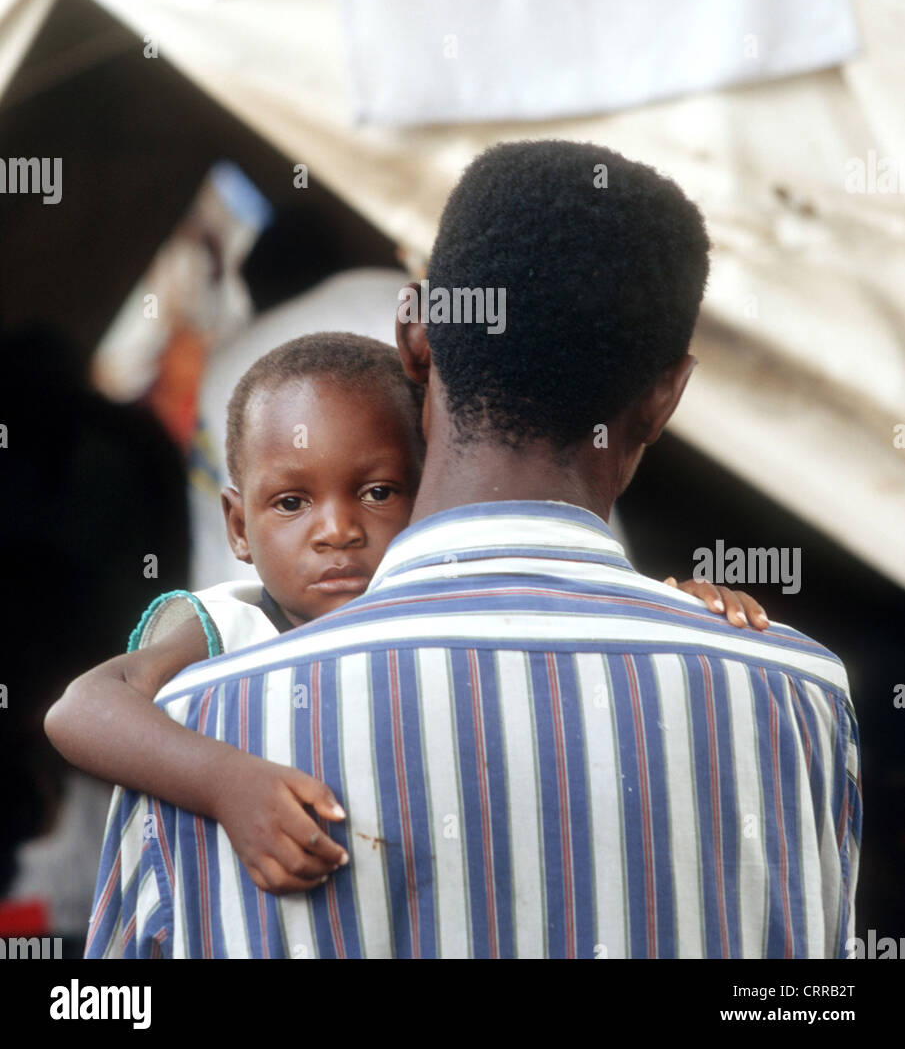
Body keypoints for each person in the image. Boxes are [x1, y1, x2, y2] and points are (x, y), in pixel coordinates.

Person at [84, 141, 861, 959]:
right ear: (663, 397)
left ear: (416, 340)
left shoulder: (198, 729)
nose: (335, 529)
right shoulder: (798, 699)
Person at [49, 330, 756, 900]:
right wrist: (228, 784)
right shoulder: (224, 626)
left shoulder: (450, 609)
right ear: (237, 526)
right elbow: (81, 711)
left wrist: (672, 609)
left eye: (378, 491)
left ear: (428, 498)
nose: (336, 530)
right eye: (291, 503)